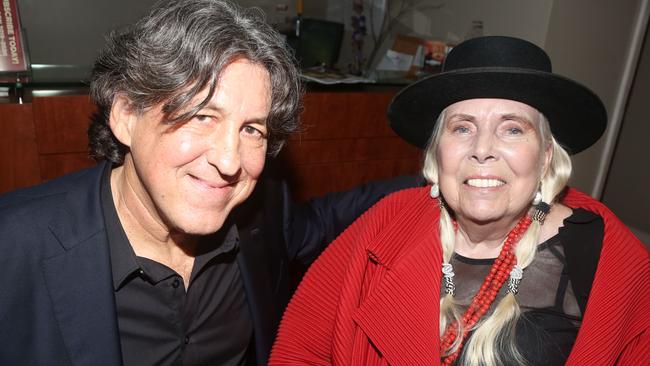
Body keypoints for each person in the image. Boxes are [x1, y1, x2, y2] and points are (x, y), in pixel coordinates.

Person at [0, 1, 419, 365]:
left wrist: (445, 180)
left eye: (252, 129)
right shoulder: (15, 247)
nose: (228, 160)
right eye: (203, 116)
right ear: (126, 114)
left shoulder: (262, 216)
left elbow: (329, 218)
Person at [270, 36, 650, 365]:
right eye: (462, 127)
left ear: (546, 156)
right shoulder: (382, 228)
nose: (482, 149)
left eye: (513, 129)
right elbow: (301, 350)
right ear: (437, 153)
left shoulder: (608, 259)